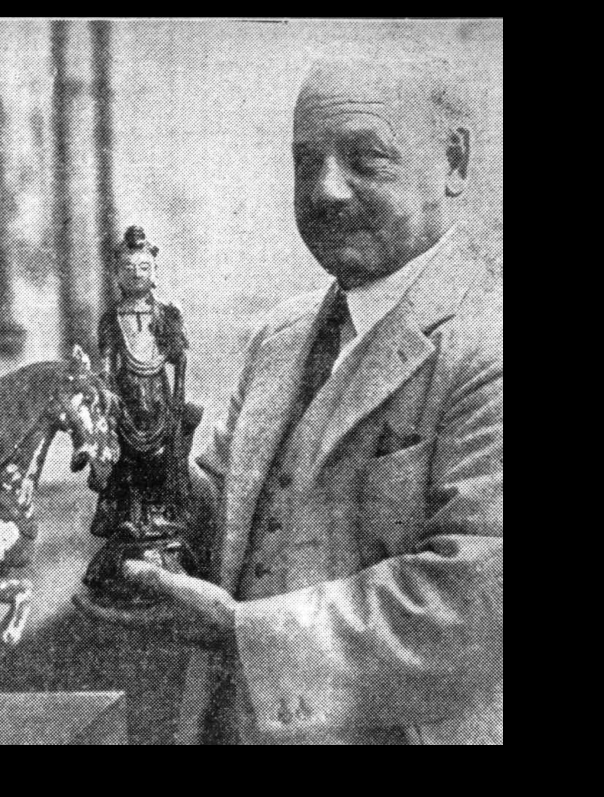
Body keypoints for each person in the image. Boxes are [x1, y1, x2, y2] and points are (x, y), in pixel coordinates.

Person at [77, 56, 503, 744]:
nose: (327, 190)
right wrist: (150, 469)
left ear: (453, 162)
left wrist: (238, 631)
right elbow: (235, 528)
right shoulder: (280, 337)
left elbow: (477, 604)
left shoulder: (490, 336)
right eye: (306, 162)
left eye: (366, 158)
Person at [84, 226, 201, 608]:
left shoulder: (166, 314)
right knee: (129, 463)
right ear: (117, 273)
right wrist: (107, 396)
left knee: (162, 463)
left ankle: (162, 523)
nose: (136, 273)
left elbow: (178, 357)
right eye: (129, 267)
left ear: (154, 270)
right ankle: (132, 521)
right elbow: (105, 366)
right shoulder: (110, 320)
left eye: (144, 266)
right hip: (126, 402)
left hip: (159, 400)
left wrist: (178, 399)